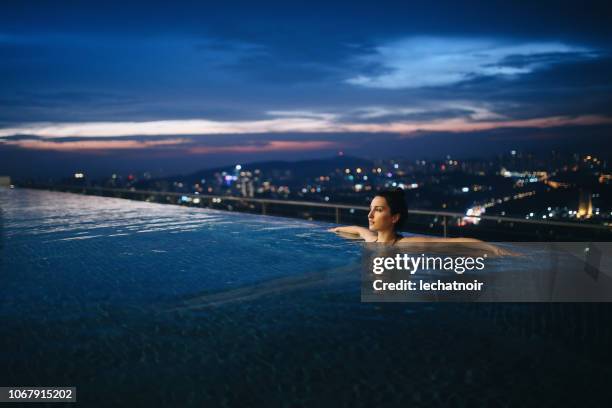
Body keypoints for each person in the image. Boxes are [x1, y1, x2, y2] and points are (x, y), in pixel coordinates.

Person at [328, 188, 513, 255]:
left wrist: (496, 249)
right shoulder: (371, 240)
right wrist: (335, 229)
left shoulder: (405, 245)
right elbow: (358, 230)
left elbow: (457, 242)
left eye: (378, 210)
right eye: (370, 210)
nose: (370, 215)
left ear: (394, 217)